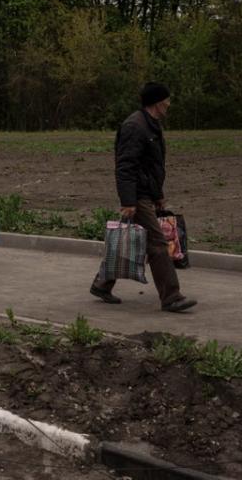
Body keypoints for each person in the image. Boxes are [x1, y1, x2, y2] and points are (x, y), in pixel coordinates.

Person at [91, 82, 197, 313]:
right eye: (167, 100)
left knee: (130, 242)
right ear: (158, 102)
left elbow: (152, 166)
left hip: (146, 193)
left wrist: (159, 196)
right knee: (158, 244)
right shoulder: (134, 126)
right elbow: (125, 166)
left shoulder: (151, 125)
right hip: (137, 195)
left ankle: (101, 283)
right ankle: (171, 297)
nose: (170, 103)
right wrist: (128, 201)